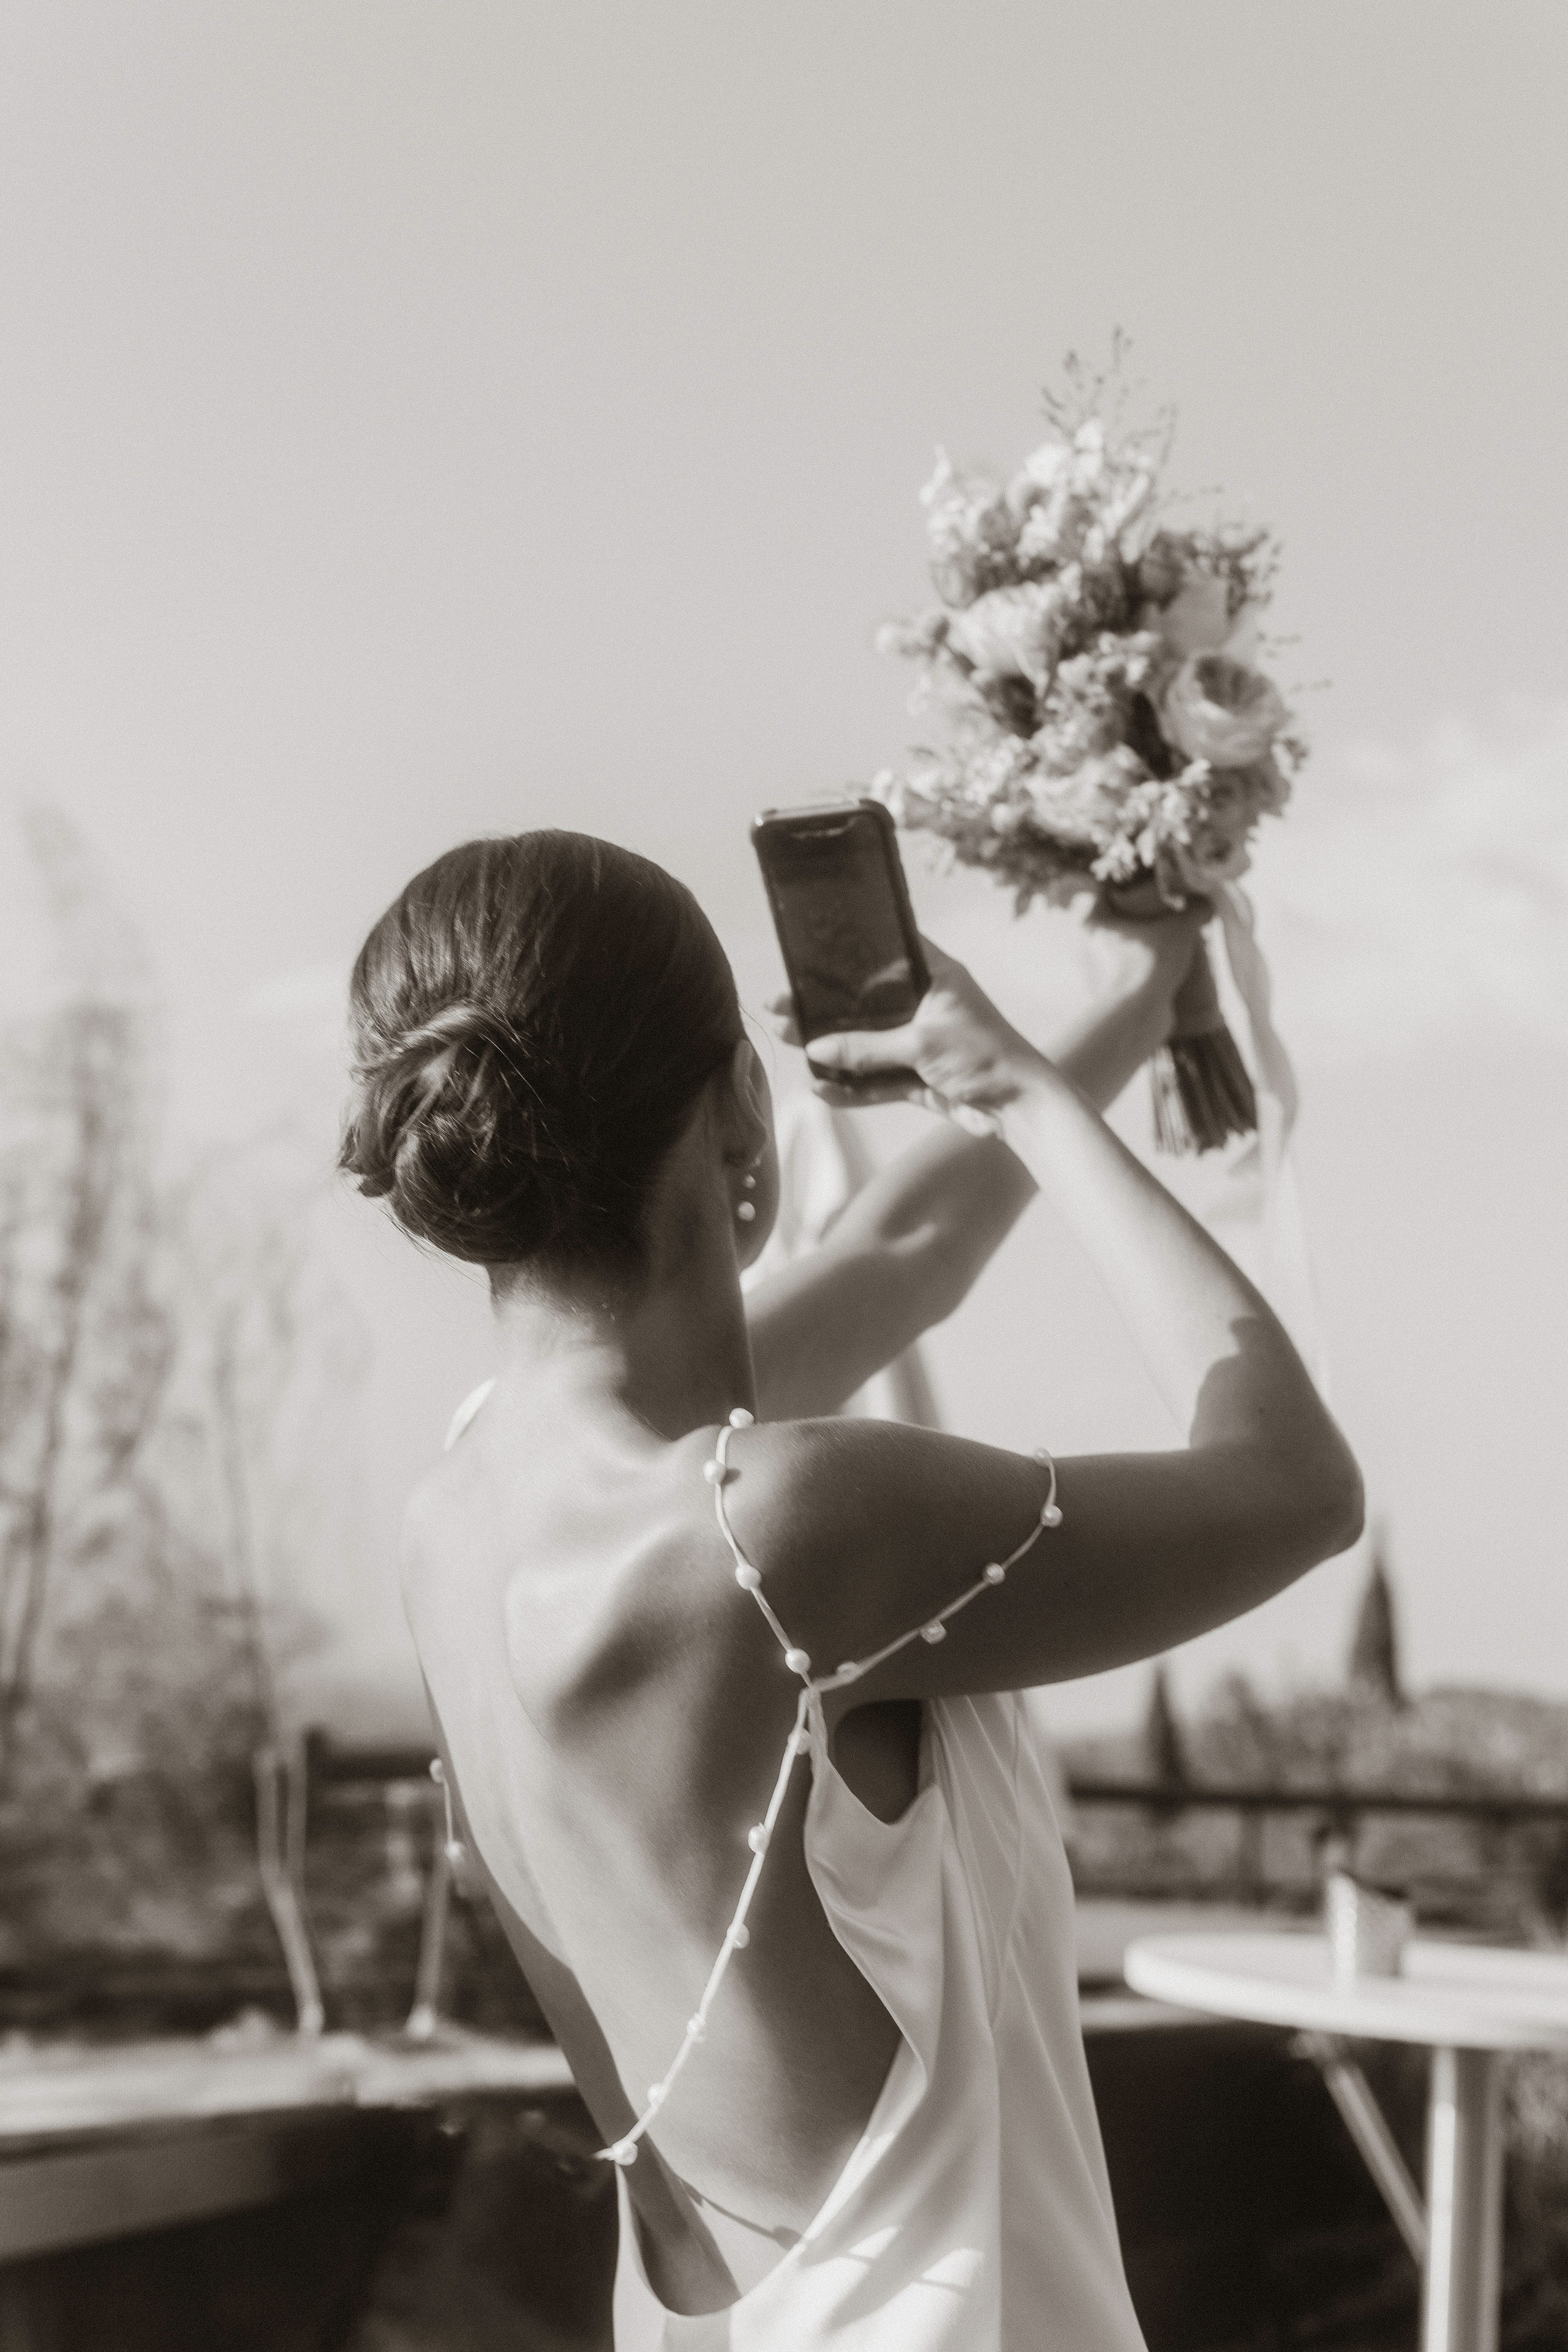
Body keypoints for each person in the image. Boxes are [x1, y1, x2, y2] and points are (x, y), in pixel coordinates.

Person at [341, 830, 1362, 2351]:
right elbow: (1294, 1486)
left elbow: (904, 1243)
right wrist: (1023, 1096)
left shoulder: (463, 1508)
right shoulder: (787, 1537)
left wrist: (1133, 992)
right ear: (743, 1100)